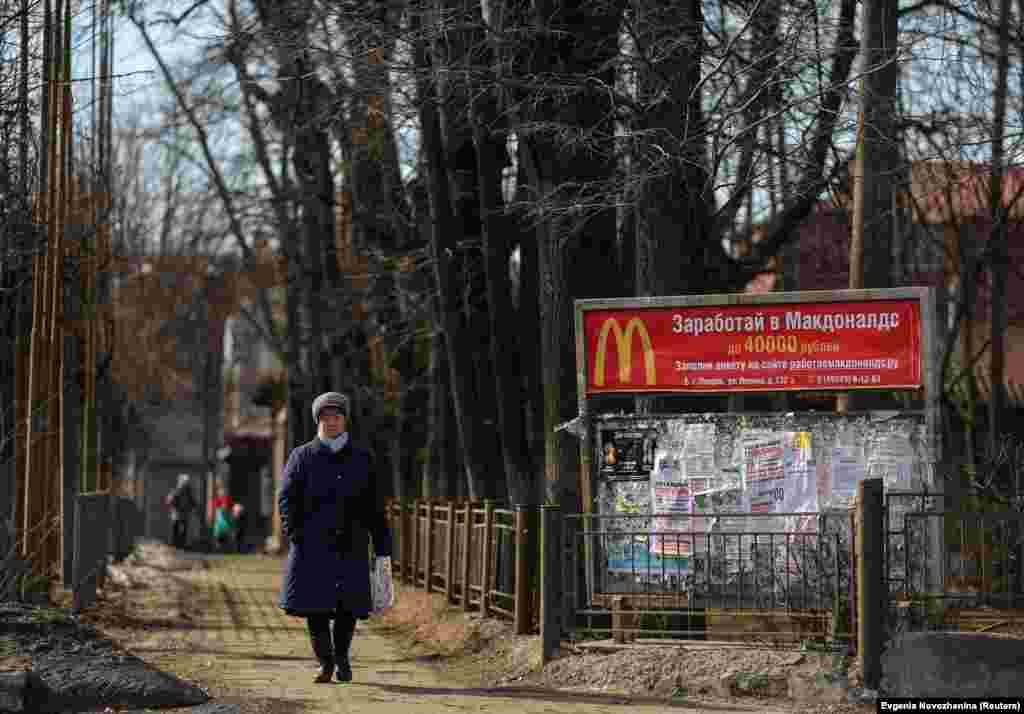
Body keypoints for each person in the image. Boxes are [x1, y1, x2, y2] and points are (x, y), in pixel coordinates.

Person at [278, 391, 393, 684]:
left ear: (345, 420)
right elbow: (287, 498)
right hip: (311, 545)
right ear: (318, 420)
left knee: (347, 608)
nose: (331, 422)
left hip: (351, 543)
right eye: (326, 417)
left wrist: (382, 545)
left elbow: (375, 504)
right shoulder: (302, 456)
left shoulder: (363, 457)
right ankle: (325, 662)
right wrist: (295, 532)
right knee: (314, 607)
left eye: (337, 416)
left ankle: (342, 657)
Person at [166, 474, 196, 550]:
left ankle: (181, 544)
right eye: (185, 482)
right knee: (176, 528)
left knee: (183, 529)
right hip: (177, 513)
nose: (186, 484)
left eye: (186, 482)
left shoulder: (188, 491)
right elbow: (170, 501)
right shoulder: (176, 490)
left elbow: (192, 501)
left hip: (184, 514)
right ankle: (176, 544)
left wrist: (193, 507)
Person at [210, 483, 236, 553]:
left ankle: (229, 548)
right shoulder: (217, 499)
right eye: (220, 491)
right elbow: (215, 507)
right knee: (217, 534)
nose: (221, 492)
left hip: (225, 519)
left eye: (222, 491)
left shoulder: (226, 498)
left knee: (227, 533)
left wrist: (227, 509)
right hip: (220, 519)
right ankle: (218, 547)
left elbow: (228, 507)